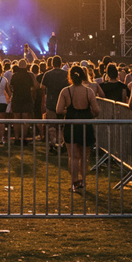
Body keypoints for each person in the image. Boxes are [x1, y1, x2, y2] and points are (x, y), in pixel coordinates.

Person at [56, 65, 99, 193]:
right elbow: (97, 110)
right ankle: (83, 181)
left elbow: (58, 110)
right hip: (85, 125)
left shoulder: (65, 91)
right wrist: (89, 113)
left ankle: (74, 182)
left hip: (71, 125)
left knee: (73, 157)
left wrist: (68, 112)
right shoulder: (88, 92)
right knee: (84, 157)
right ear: (83, 77)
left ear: (70, 77)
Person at [41, 56, 71, 149]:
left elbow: (42, 88)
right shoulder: (66, 74)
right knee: (61, 125)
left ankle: (53, 142)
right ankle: (60, 142)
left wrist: (43, 102)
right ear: (61, 63)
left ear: (52, 64)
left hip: (51, 101)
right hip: (63, 102)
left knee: (52, 124)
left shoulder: (48, 74)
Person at [6, 58, 37, 142]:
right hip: (27, 98)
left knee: (16, 119)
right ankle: (23, 138)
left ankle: (16, 138)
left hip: (16, 98)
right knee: (25, 119)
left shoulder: (14, 75)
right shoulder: (29, 75)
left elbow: (10, 86)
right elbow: (34, 87)